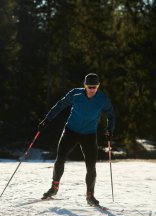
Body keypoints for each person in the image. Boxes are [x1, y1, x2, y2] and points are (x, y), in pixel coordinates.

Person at [38, 73, 115, 206]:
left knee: (91, 166)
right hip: (71, 131)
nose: (92, 90)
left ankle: (90, 195)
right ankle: (54, 187)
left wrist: (109, 129)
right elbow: (60, 105)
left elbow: (111, 115)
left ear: (98, 86)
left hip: (89, 135)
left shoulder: (102, 99)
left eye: (94, 87)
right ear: (84, 85)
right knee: (60, 158)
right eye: (89, 87)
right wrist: (47, 119)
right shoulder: (75, 94)